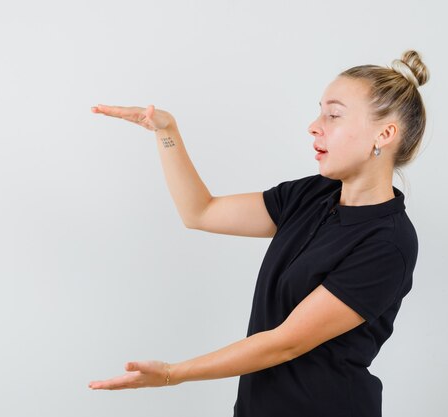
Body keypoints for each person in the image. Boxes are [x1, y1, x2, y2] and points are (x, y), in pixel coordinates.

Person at [88, 49, 430, 417]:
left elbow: (284, 344)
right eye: (319, 112)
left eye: (333, 114)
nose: (314, 126)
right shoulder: (311, 195)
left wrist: (174, 373)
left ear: (385, 133)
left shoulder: (388, 242)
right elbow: (200, 212)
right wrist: (166, 133)